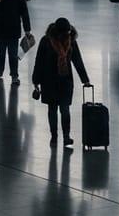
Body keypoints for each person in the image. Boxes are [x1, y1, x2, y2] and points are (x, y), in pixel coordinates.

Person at [31, 17, 91, 147]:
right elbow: (39, 61)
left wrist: (85, 79)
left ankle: (66, 137)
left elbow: (77, 60)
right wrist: (36, 80)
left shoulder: (71, 42)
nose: (67, 35)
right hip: (49, 81)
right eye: (65, 33)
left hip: (65, 81)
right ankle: (54, 136)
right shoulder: (46, 41)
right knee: (52, 110)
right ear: (58, 32)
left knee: (64, 109)